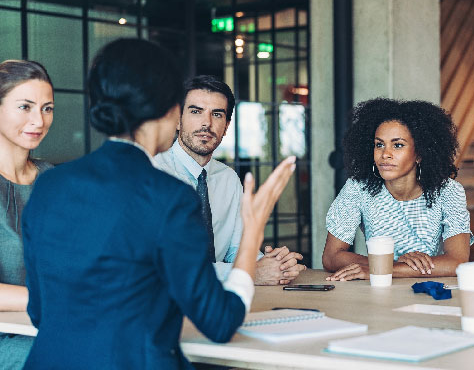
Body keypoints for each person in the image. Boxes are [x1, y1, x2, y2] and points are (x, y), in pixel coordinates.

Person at [21, 39, 296, 369]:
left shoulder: (50, 184)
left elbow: (40, 312)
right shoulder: (169, 196)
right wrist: (254, 228)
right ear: (169, 111)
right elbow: (220, 323)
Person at [154, 75, 306, 286]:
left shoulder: (228, 178)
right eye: (196, 111)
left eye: (217, 114)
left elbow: (236, 249)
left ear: (226, 126)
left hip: (220, 301)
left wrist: (273, 264)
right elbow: (169, 264)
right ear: (177, 120)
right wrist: (249, 273)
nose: (206, 123)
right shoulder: (154, 175)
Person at [322, 98, 473, 281]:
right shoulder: (358, 189)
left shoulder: (448, 192)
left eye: (398, 145)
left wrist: (384, 269)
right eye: (379, 144)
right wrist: (387, 267)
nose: (385, 154)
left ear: (419, 153)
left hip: (428, 293)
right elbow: (331, 256)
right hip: (379, 291)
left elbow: (457, 261)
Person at [0, 60, 54, 370]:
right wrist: (51, 297)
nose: (39, 120)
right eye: (25, 107)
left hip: (51, 323)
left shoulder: (54, 180)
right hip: (10, 337)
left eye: (47, 108)